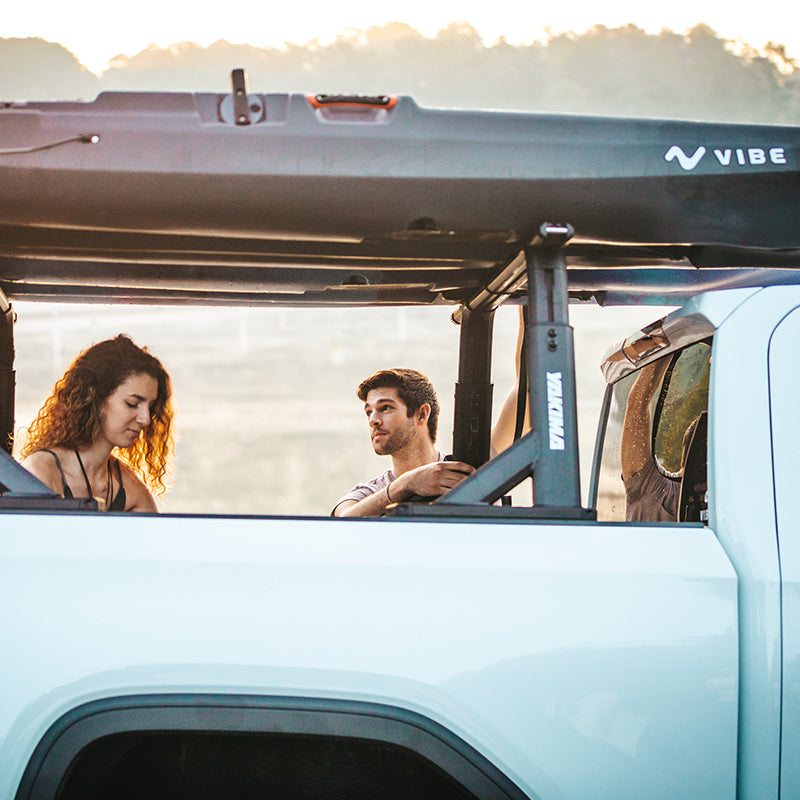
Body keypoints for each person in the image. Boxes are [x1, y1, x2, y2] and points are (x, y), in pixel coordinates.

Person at [19, 334, 174, 512]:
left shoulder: (130, 488)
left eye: (151, 407)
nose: (145, 419)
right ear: (96, 398)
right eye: (132, 404)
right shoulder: (40, 472)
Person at [332, 368, 475, 516]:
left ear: (422, 414)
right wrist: (407, 483)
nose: (373, 420)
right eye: (369, 412)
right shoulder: (369, 493)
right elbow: (344, 519)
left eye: (385, 408)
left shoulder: (464, 469)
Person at [620, 355, 704, 522]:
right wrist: (666, 345)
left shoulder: (722, 504)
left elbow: (638, 403)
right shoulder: (656, 490)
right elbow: (637, 403)